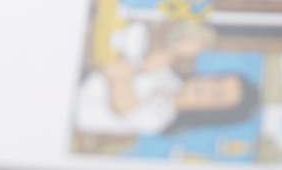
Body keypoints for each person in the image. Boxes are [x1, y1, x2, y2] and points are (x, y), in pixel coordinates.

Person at [74, 18, 260, 137]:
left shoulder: (162, 119)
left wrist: (120, 79)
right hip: (81, 71)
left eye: (217, 95)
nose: (208, 87)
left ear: (211, 112)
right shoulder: (171, 78)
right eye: (217, 81)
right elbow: (147, 60)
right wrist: (173, 51)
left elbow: (126, 107)